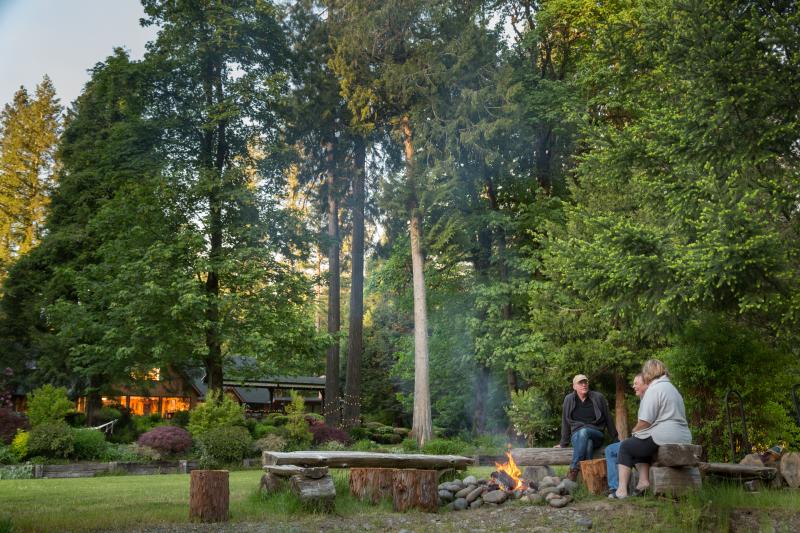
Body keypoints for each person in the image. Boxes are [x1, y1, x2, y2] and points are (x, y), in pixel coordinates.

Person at [611, 359, 692, 499]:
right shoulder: (673, 389)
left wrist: (634, 431)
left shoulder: (654, 389)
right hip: (684, 436)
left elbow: (645, 421)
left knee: (626, 446)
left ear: (649, 373)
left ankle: (621, 491)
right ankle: (643, 482)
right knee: (638, 445)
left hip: (666, 436)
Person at [555, 374, 618, 481]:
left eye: (585, 382)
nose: (584, 385)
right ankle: (588, 480)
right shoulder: (569, 399)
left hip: (596, 433)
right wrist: (563, 443)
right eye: (580, 383)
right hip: (577, 435)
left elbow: (608, 418)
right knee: (588, 444)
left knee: (584, 432)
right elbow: (565, 422)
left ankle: (574, 468)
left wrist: (615, 439)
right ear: (574, 386)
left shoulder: (598, 397)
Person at [605, 373, 648, 496]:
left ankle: (617, 489)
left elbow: (645, 425)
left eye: (636, 383)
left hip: (647, 441)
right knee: (611, 449)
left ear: (646, 384)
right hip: (643, 439)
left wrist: (634, 431)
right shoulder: (644, 399)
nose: (633, 386)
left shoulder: (650, 399)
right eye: (633, 383)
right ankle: (616, 487)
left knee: (613, 450)